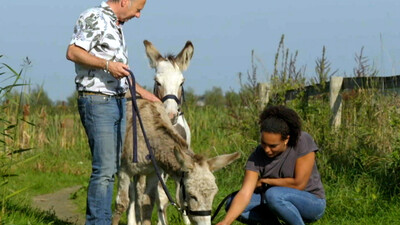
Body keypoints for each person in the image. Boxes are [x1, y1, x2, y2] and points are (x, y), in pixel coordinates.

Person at [66, 0, 160, 224]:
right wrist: (108, 65)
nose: (138, 15)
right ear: (125, 1)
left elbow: (120, 76)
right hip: (98, 102)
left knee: (112, 169)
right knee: (105, 170)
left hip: (116, 101)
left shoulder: (115, 26)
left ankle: (102, 220)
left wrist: (148, 96)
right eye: (138, 9)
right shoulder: (94, 17)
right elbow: (73, 52)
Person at [217, 105, 326, 225]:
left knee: (273, 195)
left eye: (273, 146)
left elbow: (298, 184)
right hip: (274, 201)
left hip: (312, 202)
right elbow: (245, 193)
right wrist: (226, 222)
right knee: (232, 204)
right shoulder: (257, 156)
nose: (267, 150)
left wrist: (266, 181)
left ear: (286, 139)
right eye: (263, 143)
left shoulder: (302, 141)